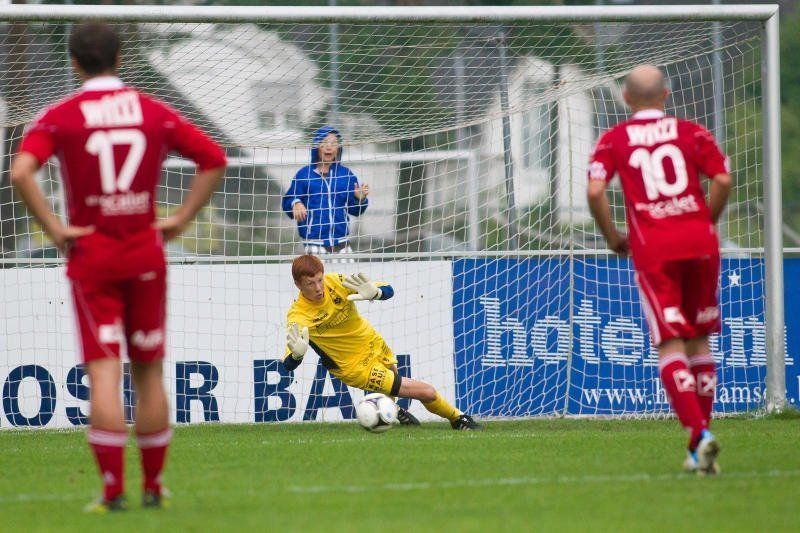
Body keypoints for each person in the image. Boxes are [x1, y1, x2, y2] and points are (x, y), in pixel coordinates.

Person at [10, 22, 227, 511]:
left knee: (105, 375)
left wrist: (56, 229)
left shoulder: (60, 116)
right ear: (120, 58)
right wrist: (180, 219)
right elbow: (214, 158)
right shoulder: (153, 111)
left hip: (93, 257)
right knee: (148, 374)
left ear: (73, 63)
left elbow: (20, 171)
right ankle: (153, 487)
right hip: (145, 254)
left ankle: (113, 492)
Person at [586, 65, 732, 475]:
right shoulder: (691, 131)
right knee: (699, 342)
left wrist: (613, 236)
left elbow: (595, 190)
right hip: (701, 243)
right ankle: (698, 449)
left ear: (626, 98)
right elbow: (723, 179)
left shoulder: (615, 138)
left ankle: (699, 435)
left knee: (670, 343)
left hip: (656, 247)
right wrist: (706, 221)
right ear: (665, 95)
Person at [284, 254, 481, 430]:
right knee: (427, 392)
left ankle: (392, 410)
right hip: (356, 367)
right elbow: (288, 364)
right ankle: (458, 418)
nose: (319, 288)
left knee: (393, 384)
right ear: (298, 285)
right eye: (310, 284)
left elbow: (388, 289)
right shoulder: (298, 315)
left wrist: (376, 293)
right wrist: (297, 355)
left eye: (319, 280)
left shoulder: (336, 282)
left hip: (374, 343)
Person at [281, 126, 368, 261]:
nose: (329, 147)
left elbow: (356, 211)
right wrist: (295, 203)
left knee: (348, 275)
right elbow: (288, 201)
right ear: (316, 146)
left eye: (333, 143)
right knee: (318, 275)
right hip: (314, 244)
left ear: (338, 148)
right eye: (324, 142)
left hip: (342, 244)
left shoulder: (346, 175)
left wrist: (360, 199)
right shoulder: (304, 174)